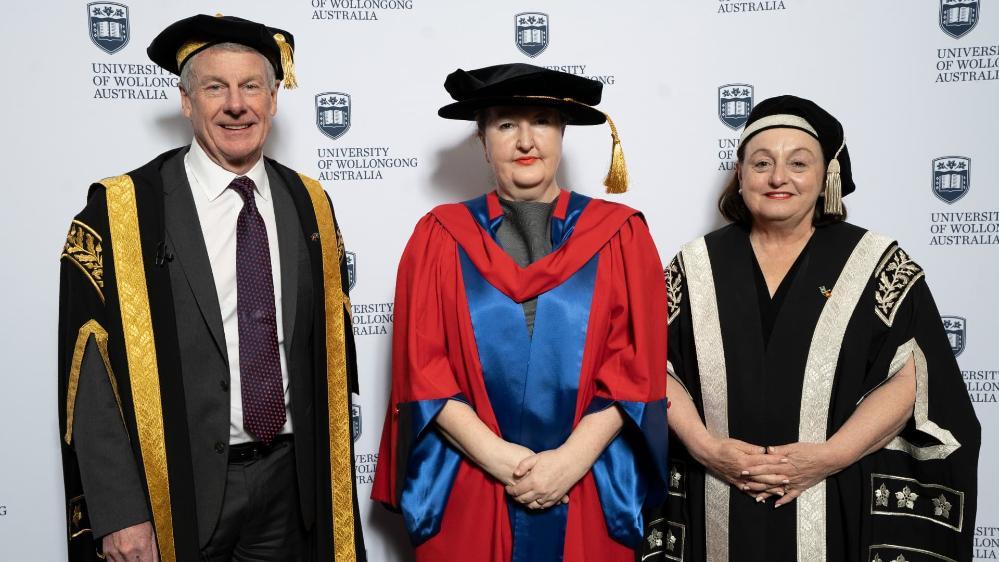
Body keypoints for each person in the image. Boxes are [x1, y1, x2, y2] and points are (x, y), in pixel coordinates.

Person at [57, 14, 365, 562]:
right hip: (176, 489)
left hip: (289, 485)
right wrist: (121, 512)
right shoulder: (124, 211)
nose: (235, 104)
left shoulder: (309, 203)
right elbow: (91, 380)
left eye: (251, 86)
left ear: (274, 99)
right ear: (186, 101)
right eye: (214, 87)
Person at [645, 95, 980, 561]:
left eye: (798, 163)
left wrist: (830, 456)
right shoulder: (693, 265)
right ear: (740, 176)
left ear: (827, 176)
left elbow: (913, 376)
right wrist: (707, 450)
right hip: (715, 494)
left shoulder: (877, 264)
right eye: (761, 163)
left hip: (833, 497)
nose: (778, 177)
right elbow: (652, 367)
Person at [370, 63, 669, 562]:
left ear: (563, 134)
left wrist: (567, 464)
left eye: (542, 122)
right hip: (471, 481)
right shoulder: (439, 237)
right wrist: (506, 462)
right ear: (483, 141)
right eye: (506, 124)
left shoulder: (621, 236)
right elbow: (423, 373)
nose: (526, 141)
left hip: (586, 482)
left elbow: (635, 370)